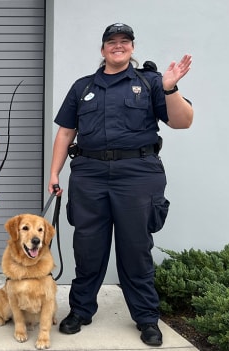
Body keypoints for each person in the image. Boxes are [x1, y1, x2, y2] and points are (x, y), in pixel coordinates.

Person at [48, 23, 193, 347]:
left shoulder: (151, 82)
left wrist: (170, 89)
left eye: (124, 41)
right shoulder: (82, 87)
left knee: (135, 249)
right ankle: (81, 311)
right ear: (102, 50)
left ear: (132, 47)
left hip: (138, 174)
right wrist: (55, 173)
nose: (118, 46)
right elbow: (66, 133)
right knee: (87, 248)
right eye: (112, 42)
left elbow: (183, 122)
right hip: (90, 175)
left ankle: (146, 318)